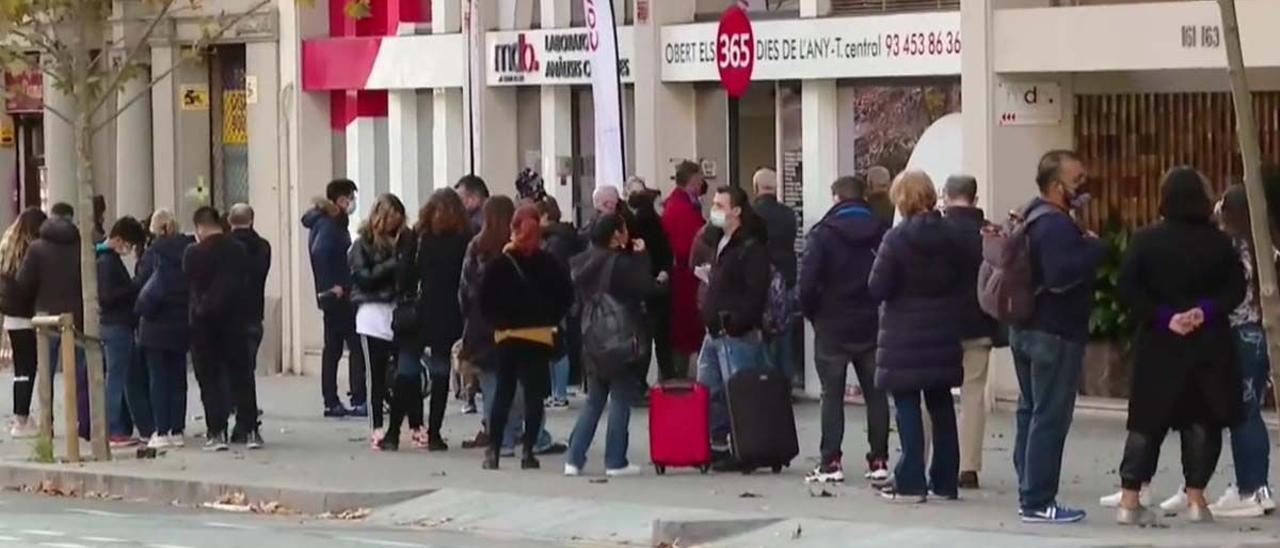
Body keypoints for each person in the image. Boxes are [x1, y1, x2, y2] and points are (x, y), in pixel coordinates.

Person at [1111, 167, 1246, 525]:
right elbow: (1236, 289)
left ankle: (1129, 499)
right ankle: (1197, 499)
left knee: (1146, 422)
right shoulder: (1220, 243)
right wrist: (1203, 311)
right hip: (1209, 344)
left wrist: (1163, 316)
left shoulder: (1145, 240)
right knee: (1202, 419)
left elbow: (1127, 288)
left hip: (1159, 343)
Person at [1010, 150, 1103, 524]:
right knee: (1049, 416)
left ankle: (1028, 489)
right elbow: (1062, 275)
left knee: (1029, 411)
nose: (1083, 186)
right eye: (1077, 180)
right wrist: (1094, 248)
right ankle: (1038, 500)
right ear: (1055, 186)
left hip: (1026, 328)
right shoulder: (1056, 226)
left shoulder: (1030, 216)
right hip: (1056, 333)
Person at [866, 170, 964, 503]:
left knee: (907, 405)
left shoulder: (896, 239)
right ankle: (946, 480)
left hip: (903, 334)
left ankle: (910, 479)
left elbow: (877, 287)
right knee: (941, 405)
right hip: (944, 330)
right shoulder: (953, 235)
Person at [799, 175, 890, 485]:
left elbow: (807, 284)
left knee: (831, 395)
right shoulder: (882, 231)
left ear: (836, 198)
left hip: (832, 324)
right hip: (871, 322)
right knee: (876, 395)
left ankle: (831, 460)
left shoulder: (823, 235)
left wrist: (814, 315)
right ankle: (879, 459)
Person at [460, 196, 565, 455]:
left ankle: (501, 441)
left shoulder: (480, 248)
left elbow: (469, 291)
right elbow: (558, 292)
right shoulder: (536, 254)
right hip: (532, 331)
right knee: (531, 389)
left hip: (493, 329)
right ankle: (533, 440)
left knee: (497, 387)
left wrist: (480, 319)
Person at [565, 213, 663, 477]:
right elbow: (646, 288)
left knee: (594, 400)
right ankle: (615, 460)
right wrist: (644, 259)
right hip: (619, 338)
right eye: (623, 230)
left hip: (591, 337)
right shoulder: (620, 263)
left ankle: (574, 458)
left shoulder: (581, 261)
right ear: (616, 236)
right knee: (620, 398)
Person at [1210, 184, 1276, 518]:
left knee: (1242, 413)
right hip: (1262, 332)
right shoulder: (1268, 247)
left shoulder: (1229, 247)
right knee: (1251, 411)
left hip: (1236, 332)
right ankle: (1256, 486)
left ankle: (1251, 487)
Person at [388, 188, 471, 452]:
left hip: (416, 312)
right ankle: (434, 434)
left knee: (407, 371)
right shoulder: (463, 240)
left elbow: (402, 277)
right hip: (447, 314)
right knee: (440, 372)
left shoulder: (415, 237)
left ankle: (392, 433)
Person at [696, 186, 771, 470]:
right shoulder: (720, 241)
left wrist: (738, 322)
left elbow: (755, 291)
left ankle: (745, 447)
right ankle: (718, 443)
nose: (714, 210)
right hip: (714, 330)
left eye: (720, 205)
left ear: (737, 211)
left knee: (738, 392)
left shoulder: (750, 247)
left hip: (735, 332)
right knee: (711, 389)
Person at [939, 174, 999, 490]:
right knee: (974, 393)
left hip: (940, 324)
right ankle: (969, 466)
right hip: (979, 322)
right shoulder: (989, 233)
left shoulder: (936, 230)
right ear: (974, 198)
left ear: (946, 196)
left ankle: (925, 460)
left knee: (930, 391)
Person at [185, 206, 261, 450]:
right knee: (242, 376)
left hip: (203, 325)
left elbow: (191, 284)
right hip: (236, 321)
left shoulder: (193, 253)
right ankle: (250, 430)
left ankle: (216, 431)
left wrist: (204, 307)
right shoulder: (238, 251)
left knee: (210, 379)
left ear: (199, 228)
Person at [16, 202, 89, 441]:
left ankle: (46, 424)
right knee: (79, 373)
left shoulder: (37, 248)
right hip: (77, 317)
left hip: (46, 318)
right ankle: (83, 423)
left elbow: (23, 284)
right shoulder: (82, 246)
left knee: (45, 372)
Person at [301, 178, 367, 418]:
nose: (352, 203)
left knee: (334, 348)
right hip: (338, 296)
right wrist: (333, 286)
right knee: (353, 346)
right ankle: (357, 397)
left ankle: (332, 400)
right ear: (340, 200)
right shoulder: (330, 224)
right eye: (350, 198)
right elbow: (321, 252)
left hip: (332, 296)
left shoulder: (326, 221)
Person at [348, 194, 409, 451]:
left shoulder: (404, 241)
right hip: (372, 311)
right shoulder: (362, 245)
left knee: (399, 374)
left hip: (397, 311)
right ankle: (377, 426)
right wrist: (393, 264)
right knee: (375, 374)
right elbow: (364, 277)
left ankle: (403, 423)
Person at [135, 209, 194, 448]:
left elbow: (141, 284)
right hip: (182, 321)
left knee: (158, 377)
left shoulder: (153, 254)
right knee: (178, 377)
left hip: (155, 323)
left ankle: (161, 430)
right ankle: (177, 429)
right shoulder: (189, 251)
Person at [98, 216, 152, 448]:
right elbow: (108, 296)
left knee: (125, 377)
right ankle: (112, 428)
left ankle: (134, 426)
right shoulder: (106, 261)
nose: (128, 250)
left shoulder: (106, 259)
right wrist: (134, 286)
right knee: (116, 378)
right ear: (118, 239)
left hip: (118, 324)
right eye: (128, 245)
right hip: (116, 325)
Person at [1, 208, 47, 438]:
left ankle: (19, 416)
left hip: (11, 317)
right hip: (29, 316)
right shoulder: (33, 250)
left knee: (21, 369)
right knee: (30, 368)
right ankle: (22, 419)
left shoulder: (8, 247)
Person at [752, 168, 799, 386]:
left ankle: (768, 382)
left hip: (761, 279)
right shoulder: (788, 214)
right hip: (786, 277)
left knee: (762, 334)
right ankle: (786, 380)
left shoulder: (751, 215)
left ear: (756, 188)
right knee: (785, 333)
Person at [662, 161, 708, 376]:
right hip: (687, 276)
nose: (702, 185)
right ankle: (681, 374)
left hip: (687, 275)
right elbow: (693, 238)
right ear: (692, 181)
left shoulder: (683, 204)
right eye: (699, 180)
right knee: (686, 326)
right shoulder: (681, 208)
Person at [538, 196, 585, 410]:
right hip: (562, 297)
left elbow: (553, 272)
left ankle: (559, 392)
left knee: (556, 346)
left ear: (546, 216)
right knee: (556, 344)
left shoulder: (554, 242)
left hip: (555, 299)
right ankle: (558, 390)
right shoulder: (562, 237)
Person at [626, 180, 675, 383]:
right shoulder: (655, 224)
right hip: (657, 284)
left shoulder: (632, 225)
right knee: (661, 338)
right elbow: (665, 252)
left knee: (644, 338)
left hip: (641, 287)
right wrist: (664, 272)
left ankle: (639, 382)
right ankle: (668, 377)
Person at [228, 204, 271, 374]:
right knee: (247, 370)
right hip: (253, 313)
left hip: (228, 317)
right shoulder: (263, 246)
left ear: (229, 220)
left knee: (228, 371)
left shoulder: (224, 245)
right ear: (252, 220)